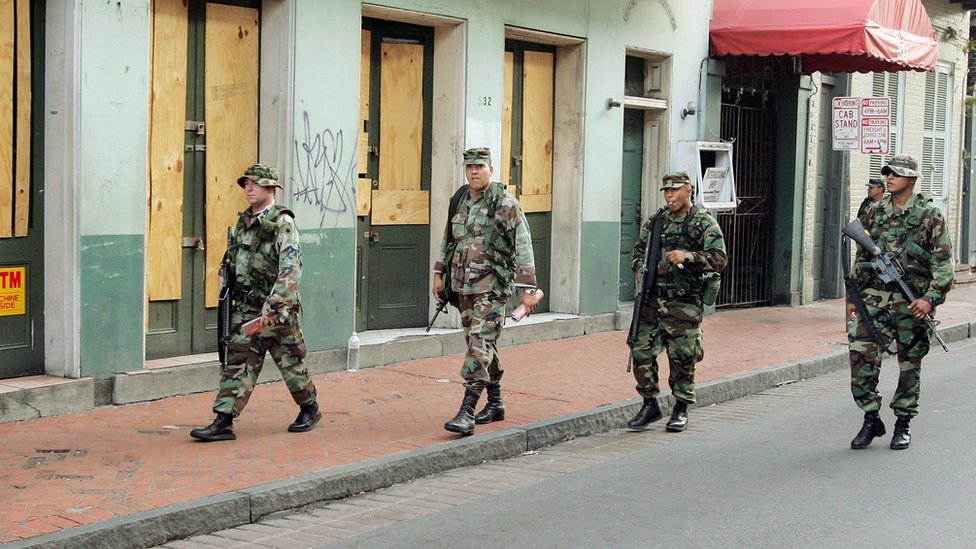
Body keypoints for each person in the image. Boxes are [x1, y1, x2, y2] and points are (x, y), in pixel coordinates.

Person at [191, 164, 321, 441]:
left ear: (271, 189)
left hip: (277, 313)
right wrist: (224, 276)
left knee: (291, 365)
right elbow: (234, 257)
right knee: (238, 363)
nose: (249, 188)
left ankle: (309, 407)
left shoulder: (282, 222)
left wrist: (274, 308)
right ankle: (223, 420)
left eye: (255, 184)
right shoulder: (244, 221)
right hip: (247, 309)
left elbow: (291, 268)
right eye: (246, 183)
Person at [432, 147, 542, 436]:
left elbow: (523, 247)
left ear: (491, 169)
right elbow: (448, 240)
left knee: (478, 344)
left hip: (493, 288)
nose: (474, 171)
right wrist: (438, 275)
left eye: (480, 166)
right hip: (463, 288)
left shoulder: (506, 204)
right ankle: (496, 403)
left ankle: (466, 411)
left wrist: (528, 290)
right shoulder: (460, 201)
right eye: (470, 167)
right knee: (480, 344)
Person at [847, 154, 953, 450]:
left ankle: (903, 422)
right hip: (874, 299)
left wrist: (930, 300)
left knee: (909, 365)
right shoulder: (875, 210)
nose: (889, 177)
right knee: (860, 356)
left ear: (912, 179)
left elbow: (944, 264)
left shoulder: (930, 215)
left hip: (912, 302)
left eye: (896, 173)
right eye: (887, 173)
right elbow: (863, 255)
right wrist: (852, 296)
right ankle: (871, 417)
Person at [626, 171, 727, 433]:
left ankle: (681, 407)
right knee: (640, 351)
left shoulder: (703, 222)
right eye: (667, 192)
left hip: (684, 302)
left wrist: (689, 256)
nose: (670, 196)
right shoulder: (656, 221)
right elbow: (638, 251)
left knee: (682, 357)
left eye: (675, 191)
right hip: (652, 300)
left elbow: (719, 258)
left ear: (688, 191)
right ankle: (650, 404)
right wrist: (639, 267)